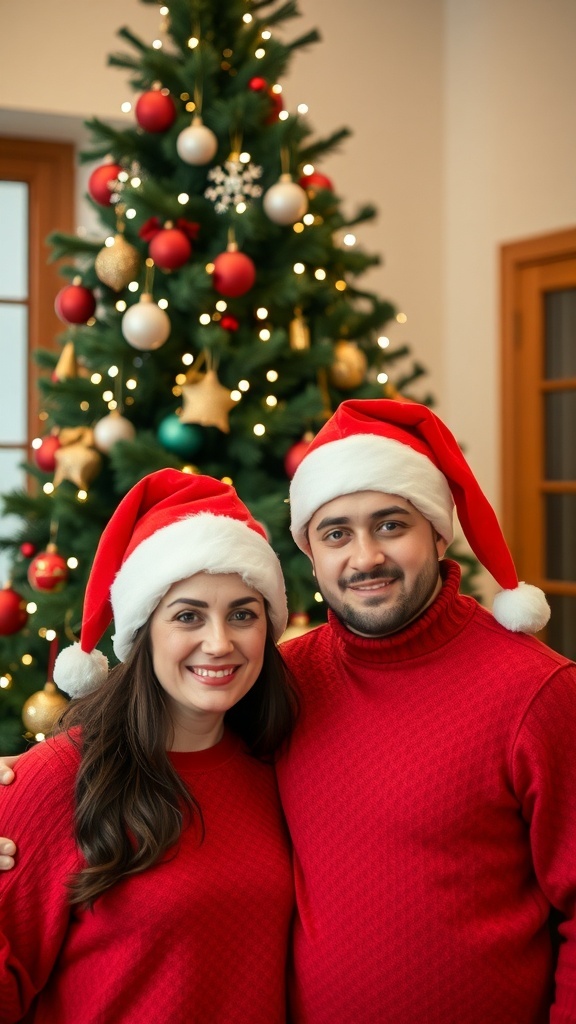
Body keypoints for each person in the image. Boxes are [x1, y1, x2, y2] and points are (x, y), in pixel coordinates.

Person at [3, 398, 576, 1023]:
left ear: (439, 532)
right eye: (336, 533)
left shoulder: (538, 692)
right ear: (309, 551)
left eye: (391, 525)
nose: (364, 558)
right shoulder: (289, 682)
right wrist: (22, 789)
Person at [0, 468, 298, 1024]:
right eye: (188, 615)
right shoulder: (52, 779)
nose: (219, 642)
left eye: (243, 614)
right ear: (143, 632)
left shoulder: (278, 767)